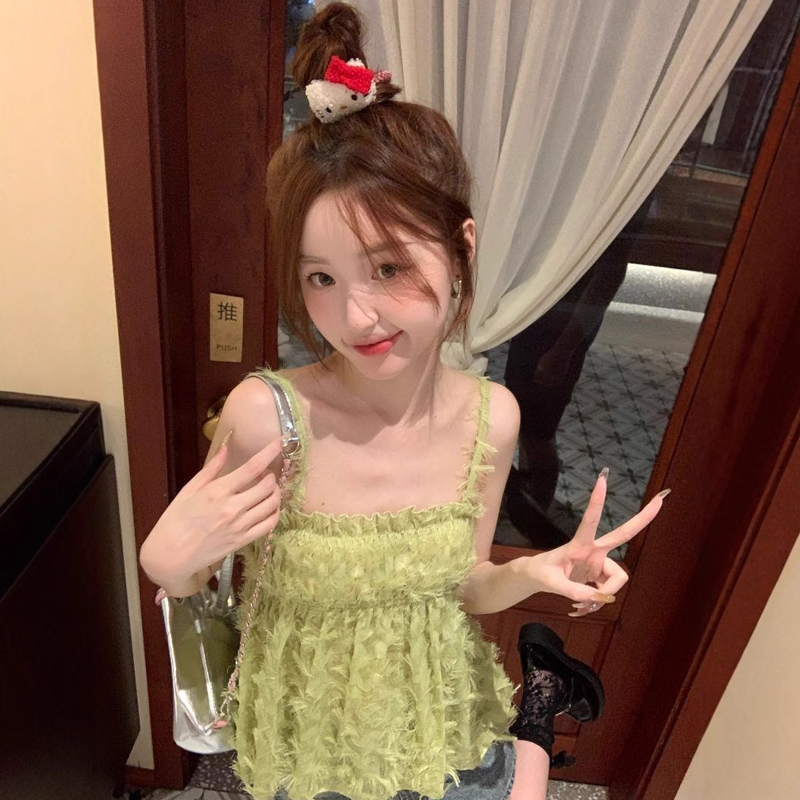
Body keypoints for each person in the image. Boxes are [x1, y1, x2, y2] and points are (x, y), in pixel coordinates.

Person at [139, 5, 669, 800]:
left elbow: (465, 586)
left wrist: (534, 571)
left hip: (434, 720)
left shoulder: (493, 418)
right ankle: (545, 695)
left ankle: (539, 695)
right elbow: (202, 593)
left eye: (388, 267)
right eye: (321, 278)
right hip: (307, 744)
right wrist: (167, 566)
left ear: (461, 249)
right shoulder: (266, 419)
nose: (356, 317)